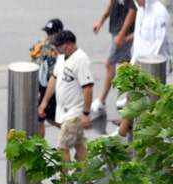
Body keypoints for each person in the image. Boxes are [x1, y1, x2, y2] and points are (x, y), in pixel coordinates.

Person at [113, 0, 170, 139]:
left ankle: (130, 133)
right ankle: (125, 129)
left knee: (148, 102)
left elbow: (159, 42)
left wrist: (145, 66)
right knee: (132, 98)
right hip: (138, 64)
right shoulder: (141, 10)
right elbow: (140, 38)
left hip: (154, 67)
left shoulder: (159, 12)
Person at [38, 30, 94, 166]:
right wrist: (44, 102)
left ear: (69, 44)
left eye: (58, 45)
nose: (56, 48)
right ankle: (86, 176)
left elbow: (88, 87)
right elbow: (54, 79)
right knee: (79, 145)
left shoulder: (81, 60)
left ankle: (63, 181)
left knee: (62, 148)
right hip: (64, 112)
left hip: (74, 113)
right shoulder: (62, 57)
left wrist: (86, 113)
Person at [91, 0, 137, 115]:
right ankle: (130, 98)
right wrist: (100, 22)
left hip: (124, 31)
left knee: (109, 64)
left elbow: (133, 11)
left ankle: (102, 100)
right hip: (116, 28)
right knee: (127, 63)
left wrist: (122, 34)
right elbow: (111, 4)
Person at [30, 18, 63, 138]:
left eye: (51, 33)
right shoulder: (42, 45)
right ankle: (39, 147)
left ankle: (74, 135)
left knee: (49, 117)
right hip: (43, 86)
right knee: (41, 117)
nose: (49, 36)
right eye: (47, 33)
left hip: (53, 87)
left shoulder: (61, 49)